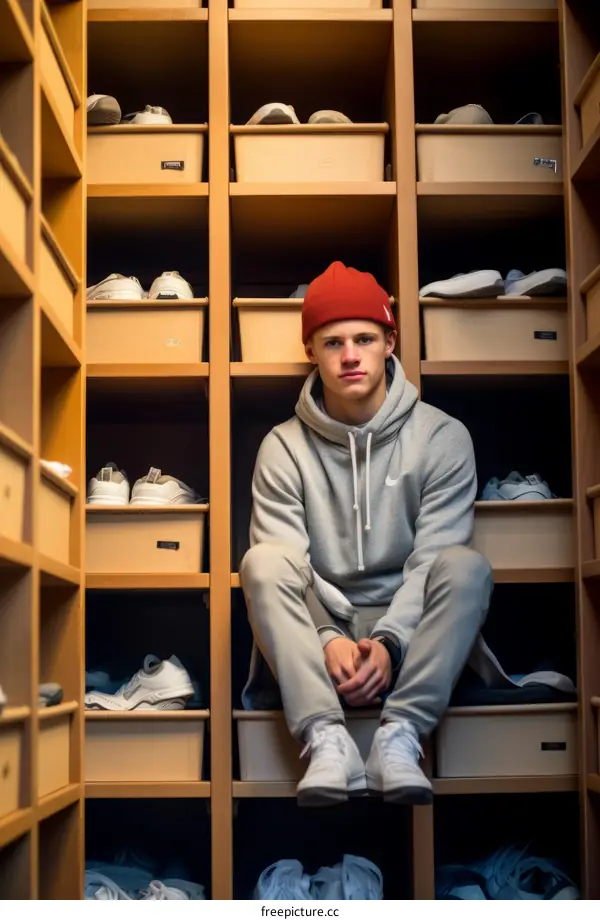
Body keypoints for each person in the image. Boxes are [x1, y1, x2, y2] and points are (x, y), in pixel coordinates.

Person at [239, 261, 494, 807]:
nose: (350, 355)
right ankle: (324, 737)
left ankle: (401, 734)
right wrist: (329, 637)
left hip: (412, 628)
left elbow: (431, 563)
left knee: (465, 566)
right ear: (311, 350)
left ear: (389, 341)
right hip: (315, 631)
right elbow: (287, 561)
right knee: (262, 562)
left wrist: (388, 643)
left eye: (364, 338)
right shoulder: (282, 448)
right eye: (332, 342)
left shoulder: (443, 437)